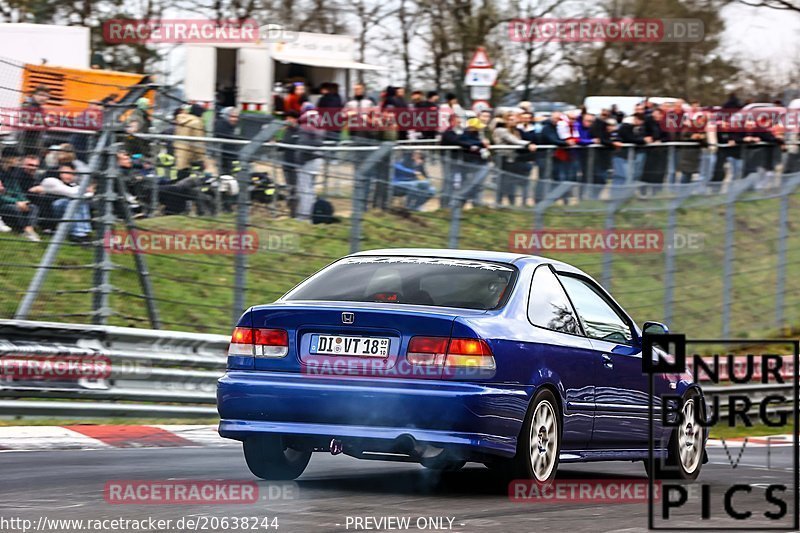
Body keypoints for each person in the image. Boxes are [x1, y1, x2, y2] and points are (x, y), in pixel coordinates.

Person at [40, 163, 94, 242]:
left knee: (79, 201)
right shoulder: (52, 182)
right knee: (72, 201)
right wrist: (85, 190)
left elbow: (86, 194)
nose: (67, 176)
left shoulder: (73, 185)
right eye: (64, 173)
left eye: (70, 173)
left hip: (68, 211)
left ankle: (83, 232)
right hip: (53, 212)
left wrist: (85, 191)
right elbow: (72, 193)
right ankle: (79, 234)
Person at [492, 112, 536, 206]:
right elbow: (514, 140)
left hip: (512, 159)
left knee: (511, 182)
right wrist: (528, 144)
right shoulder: (501, 130)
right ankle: (498, 203)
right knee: (503, 182)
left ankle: (512, 203)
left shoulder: (516, 131)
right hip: (503, 158)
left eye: (514, 119)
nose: (513, 121)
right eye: (511, 119)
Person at [294, 110, 325, 221]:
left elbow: (304, 146)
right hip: (316, 160)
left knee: (304, 189)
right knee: (310, 189)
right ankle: (309, 214)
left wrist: (300, 162)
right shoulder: (319, 127)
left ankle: (304, 216)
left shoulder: (305, 127)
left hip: (307, 161)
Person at [458, 118, 492, 207]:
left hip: (480, 162)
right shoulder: (465, 135)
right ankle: (460, 202)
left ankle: (477, 204)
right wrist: (480, 143)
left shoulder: (478, 134)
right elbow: (464, 142)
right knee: (469, 184)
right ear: (472, 127)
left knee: (479, 184)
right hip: (470, 163)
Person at [174, 104, 206, 178]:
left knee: (180, 177)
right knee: (189, 183)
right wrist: (201, 158)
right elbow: (199, 142)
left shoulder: (181, 121)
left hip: (180, 153)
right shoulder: (197, 122)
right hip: (190, 155)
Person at [18, 85, 51, 155]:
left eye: (46, 96)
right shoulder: (26, 105)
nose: (43, 98)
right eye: (40, 95)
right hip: (24, 143)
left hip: (34, 144)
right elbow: (26, 121)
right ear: (34, 95)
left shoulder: (41, 109)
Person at [213, 107, 240, 174]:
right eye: (232, 117)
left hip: (230, 159)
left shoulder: (232, 127)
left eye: (237, 117)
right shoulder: (221, 124)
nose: (235, 119)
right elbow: (230, 138)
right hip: (224, 159)